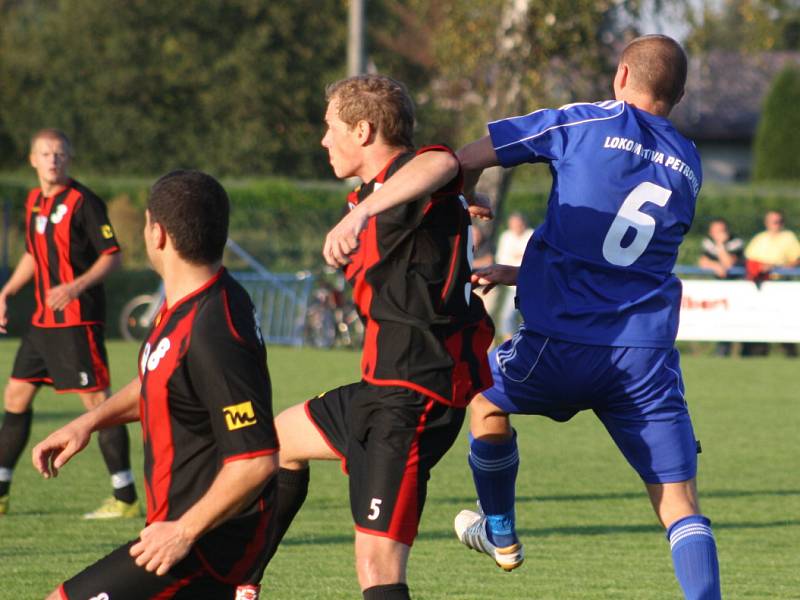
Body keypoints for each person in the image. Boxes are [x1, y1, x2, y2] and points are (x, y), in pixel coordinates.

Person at [399, 35, 718, 598]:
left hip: (559, 345)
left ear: (621, 76)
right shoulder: (689, 165)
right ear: (681, 94)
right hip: (643, 359)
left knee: (482, 397)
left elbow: (466, 157)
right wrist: (520, 273)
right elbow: (620, 262)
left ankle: (499, 534)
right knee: (680, 507)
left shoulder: (585, 122)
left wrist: (467, 201)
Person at [259, 75, 494, 600]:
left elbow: (445, 162)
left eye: (330, 128)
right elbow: (452, 181)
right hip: (379, 386)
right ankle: (244, 584)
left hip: (409, 396)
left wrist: (370, 209)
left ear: (362, 131)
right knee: (276, 444)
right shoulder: (386, 193)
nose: (323, 141)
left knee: (377, 565)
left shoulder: (403, 182)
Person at [32, 170, 279, 600]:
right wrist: (88, 423)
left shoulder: (212, 329)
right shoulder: (187, 303)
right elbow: (161, 381)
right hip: (180, 528)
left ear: (157, 233)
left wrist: (183, 532)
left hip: (202, 543)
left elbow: (256, 460)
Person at [0, 129, 138, 518]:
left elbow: (112, 255)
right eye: (45, 154)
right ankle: (1, 492)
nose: (53, 160)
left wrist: (75, 286)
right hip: (42, 324)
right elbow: (32, 253)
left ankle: (124, 496)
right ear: (33, 160)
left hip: (77, 322)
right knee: (15, 397)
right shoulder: (32, 202)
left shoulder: (84, 201)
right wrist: (7, 291)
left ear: (69, 158)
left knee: (99, 405)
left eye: (59, 154)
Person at [743, 209, 800, 357]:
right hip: (761, 284)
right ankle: (759, 353)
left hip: (780, 283)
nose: (776, 224)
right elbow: (750, 260)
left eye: (779, 221)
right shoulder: (759, 238)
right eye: (773, 221)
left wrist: (775, 267)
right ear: (767, 223)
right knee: (760, 319)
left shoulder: (789, 237)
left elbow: (795, 260)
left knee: (785, 321)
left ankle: (790, 353)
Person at [697, 218, 744, 356]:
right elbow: (703, 261)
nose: (718, 233)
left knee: (738, 324)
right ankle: (722, 352)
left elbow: (729, 264)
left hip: (737, 289)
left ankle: (744, 353)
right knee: (722, 322)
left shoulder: (736, 242)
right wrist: (716, 266)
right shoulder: (707, 242)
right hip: (718, 290)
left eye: (721, 231)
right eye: (715, 231)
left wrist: (720, 244)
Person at [494, 212, 533, 339]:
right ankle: (509, 342)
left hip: (530, 284)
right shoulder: (506, 237)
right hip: (512, 285)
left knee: (530, 316)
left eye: (518, 223)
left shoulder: (531, 234)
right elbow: (502, 258)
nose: (516, 226)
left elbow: (533, 258)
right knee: (507, 317)